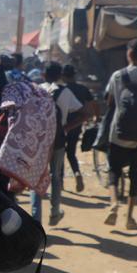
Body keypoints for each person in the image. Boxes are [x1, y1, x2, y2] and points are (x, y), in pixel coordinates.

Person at [103, 39, 137, 229]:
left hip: (118, 133)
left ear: (129, 54)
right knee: (135, 175)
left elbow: (109, 101)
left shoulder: (118, 75)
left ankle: (114, 203)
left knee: (114, 171)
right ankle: (130, 218)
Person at [30, 63, 86, 225]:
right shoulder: (65, 92)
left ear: (43, 74)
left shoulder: (35, 90)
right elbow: (85, 113)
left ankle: (35, 220)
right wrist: (65, 128)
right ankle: (55, 212)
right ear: (60, 75)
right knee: (55, 176)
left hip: (38, 140)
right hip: (58, 139)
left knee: (36, 178)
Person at [61, 64, 94, 193]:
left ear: (63, 76)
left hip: (62, 125)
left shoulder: (62, 89)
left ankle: (60, 182)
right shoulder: (83, 89)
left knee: (59, 153)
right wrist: (95, 117)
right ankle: (76, 173)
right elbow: (92, 105)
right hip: (76, 125)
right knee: (71, 153)